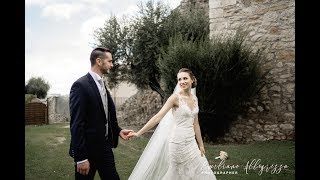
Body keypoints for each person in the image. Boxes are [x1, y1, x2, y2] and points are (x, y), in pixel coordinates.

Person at [128, 68, 217, 180]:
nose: (182, 81)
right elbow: (157, 117)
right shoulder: (175, 98)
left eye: (185, 78)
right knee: (178, 175)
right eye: (179, 79)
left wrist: (201, 145)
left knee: (200, 172)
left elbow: (196, 124)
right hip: (177, 143)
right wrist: (138, 133)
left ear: (192, 80)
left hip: (191, 143)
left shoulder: (195, 99)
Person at [69, 47, 133, 180]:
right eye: (109, 61)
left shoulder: (102, 83)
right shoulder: (80, 85)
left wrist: (118, 131)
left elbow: (105, 115)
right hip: (88, 150)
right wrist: (81, 158)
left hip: (105, 148)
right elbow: (77, 124)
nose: (112, 64)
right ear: (99, 61)